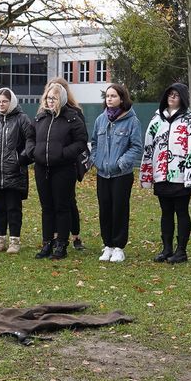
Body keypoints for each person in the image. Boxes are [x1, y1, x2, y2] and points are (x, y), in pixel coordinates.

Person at [140, 82, 191, 264]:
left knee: (181, 211)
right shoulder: (157, 119)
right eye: (169, 94)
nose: (172, 97)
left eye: (176, 94)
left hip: (181, 176)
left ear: (182, 97)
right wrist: (147, 174)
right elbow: (148, 147)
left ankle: (181, 250)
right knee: (165, 212)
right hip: (161, 174)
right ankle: (166, 248)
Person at [33, 81, 88, 260]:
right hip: (42, 168)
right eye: (48, 98)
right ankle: (47, 242)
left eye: (54, 98)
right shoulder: (41, 117)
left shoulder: (72, 117)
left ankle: (61, 244)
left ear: (61, 99)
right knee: (46, 207)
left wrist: (63, 154)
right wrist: (33, 152)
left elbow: (81, 141)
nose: (50, 101)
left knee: (62, 207)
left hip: (63, 169)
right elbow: (30, 137)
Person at [90, 83, 143, 263]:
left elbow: (136, 147)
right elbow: (94, 143)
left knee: (119, 209)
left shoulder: (131, 121)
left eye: (113, 96)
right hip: (103, 173)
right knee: (104, 209)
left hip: (121, 174)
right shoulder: (100, 120)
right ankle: (108, 245)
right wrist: (96, 160)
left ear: (122, 98)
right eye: (107, 96)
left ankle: (119, 247)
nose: (110, 99)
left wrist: (122, 162)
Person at [0, 87, 35, 254]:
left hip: (15, 173)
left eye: (4, 101)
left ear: (11, 102)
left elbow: (30, 142)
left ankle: (15, 242)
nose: (1, 104)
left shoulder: (22, 119)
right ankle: (0, 240)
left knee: (13, 209)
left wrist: (20, 159)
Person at [47, 77, 88, 250]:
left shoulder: (74, 113)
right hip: (50, 165)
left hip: (68, 164)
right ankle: (56, 235)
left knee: (69, 201)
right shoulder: (45, 112)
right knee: (53, 202)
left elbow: (81, 140)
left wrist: (64, 153)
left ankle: (75, 235)